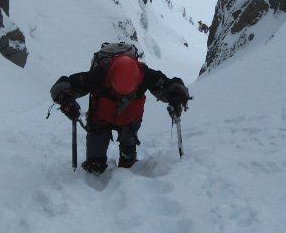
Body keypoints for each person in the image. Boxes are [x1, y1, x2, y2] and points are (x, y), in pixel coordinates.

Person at [50, 46, 190, 173]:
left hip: (129, 121)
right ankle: (97, 168)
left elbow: (173, 86)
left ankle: (126, 165)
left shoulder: (145, 74)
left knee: (128, 163)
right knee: (94, 166)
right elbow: (62, 85)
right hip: (101, 120)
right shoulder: (99, 74)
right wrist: (67, 101)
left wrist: (176, 98)